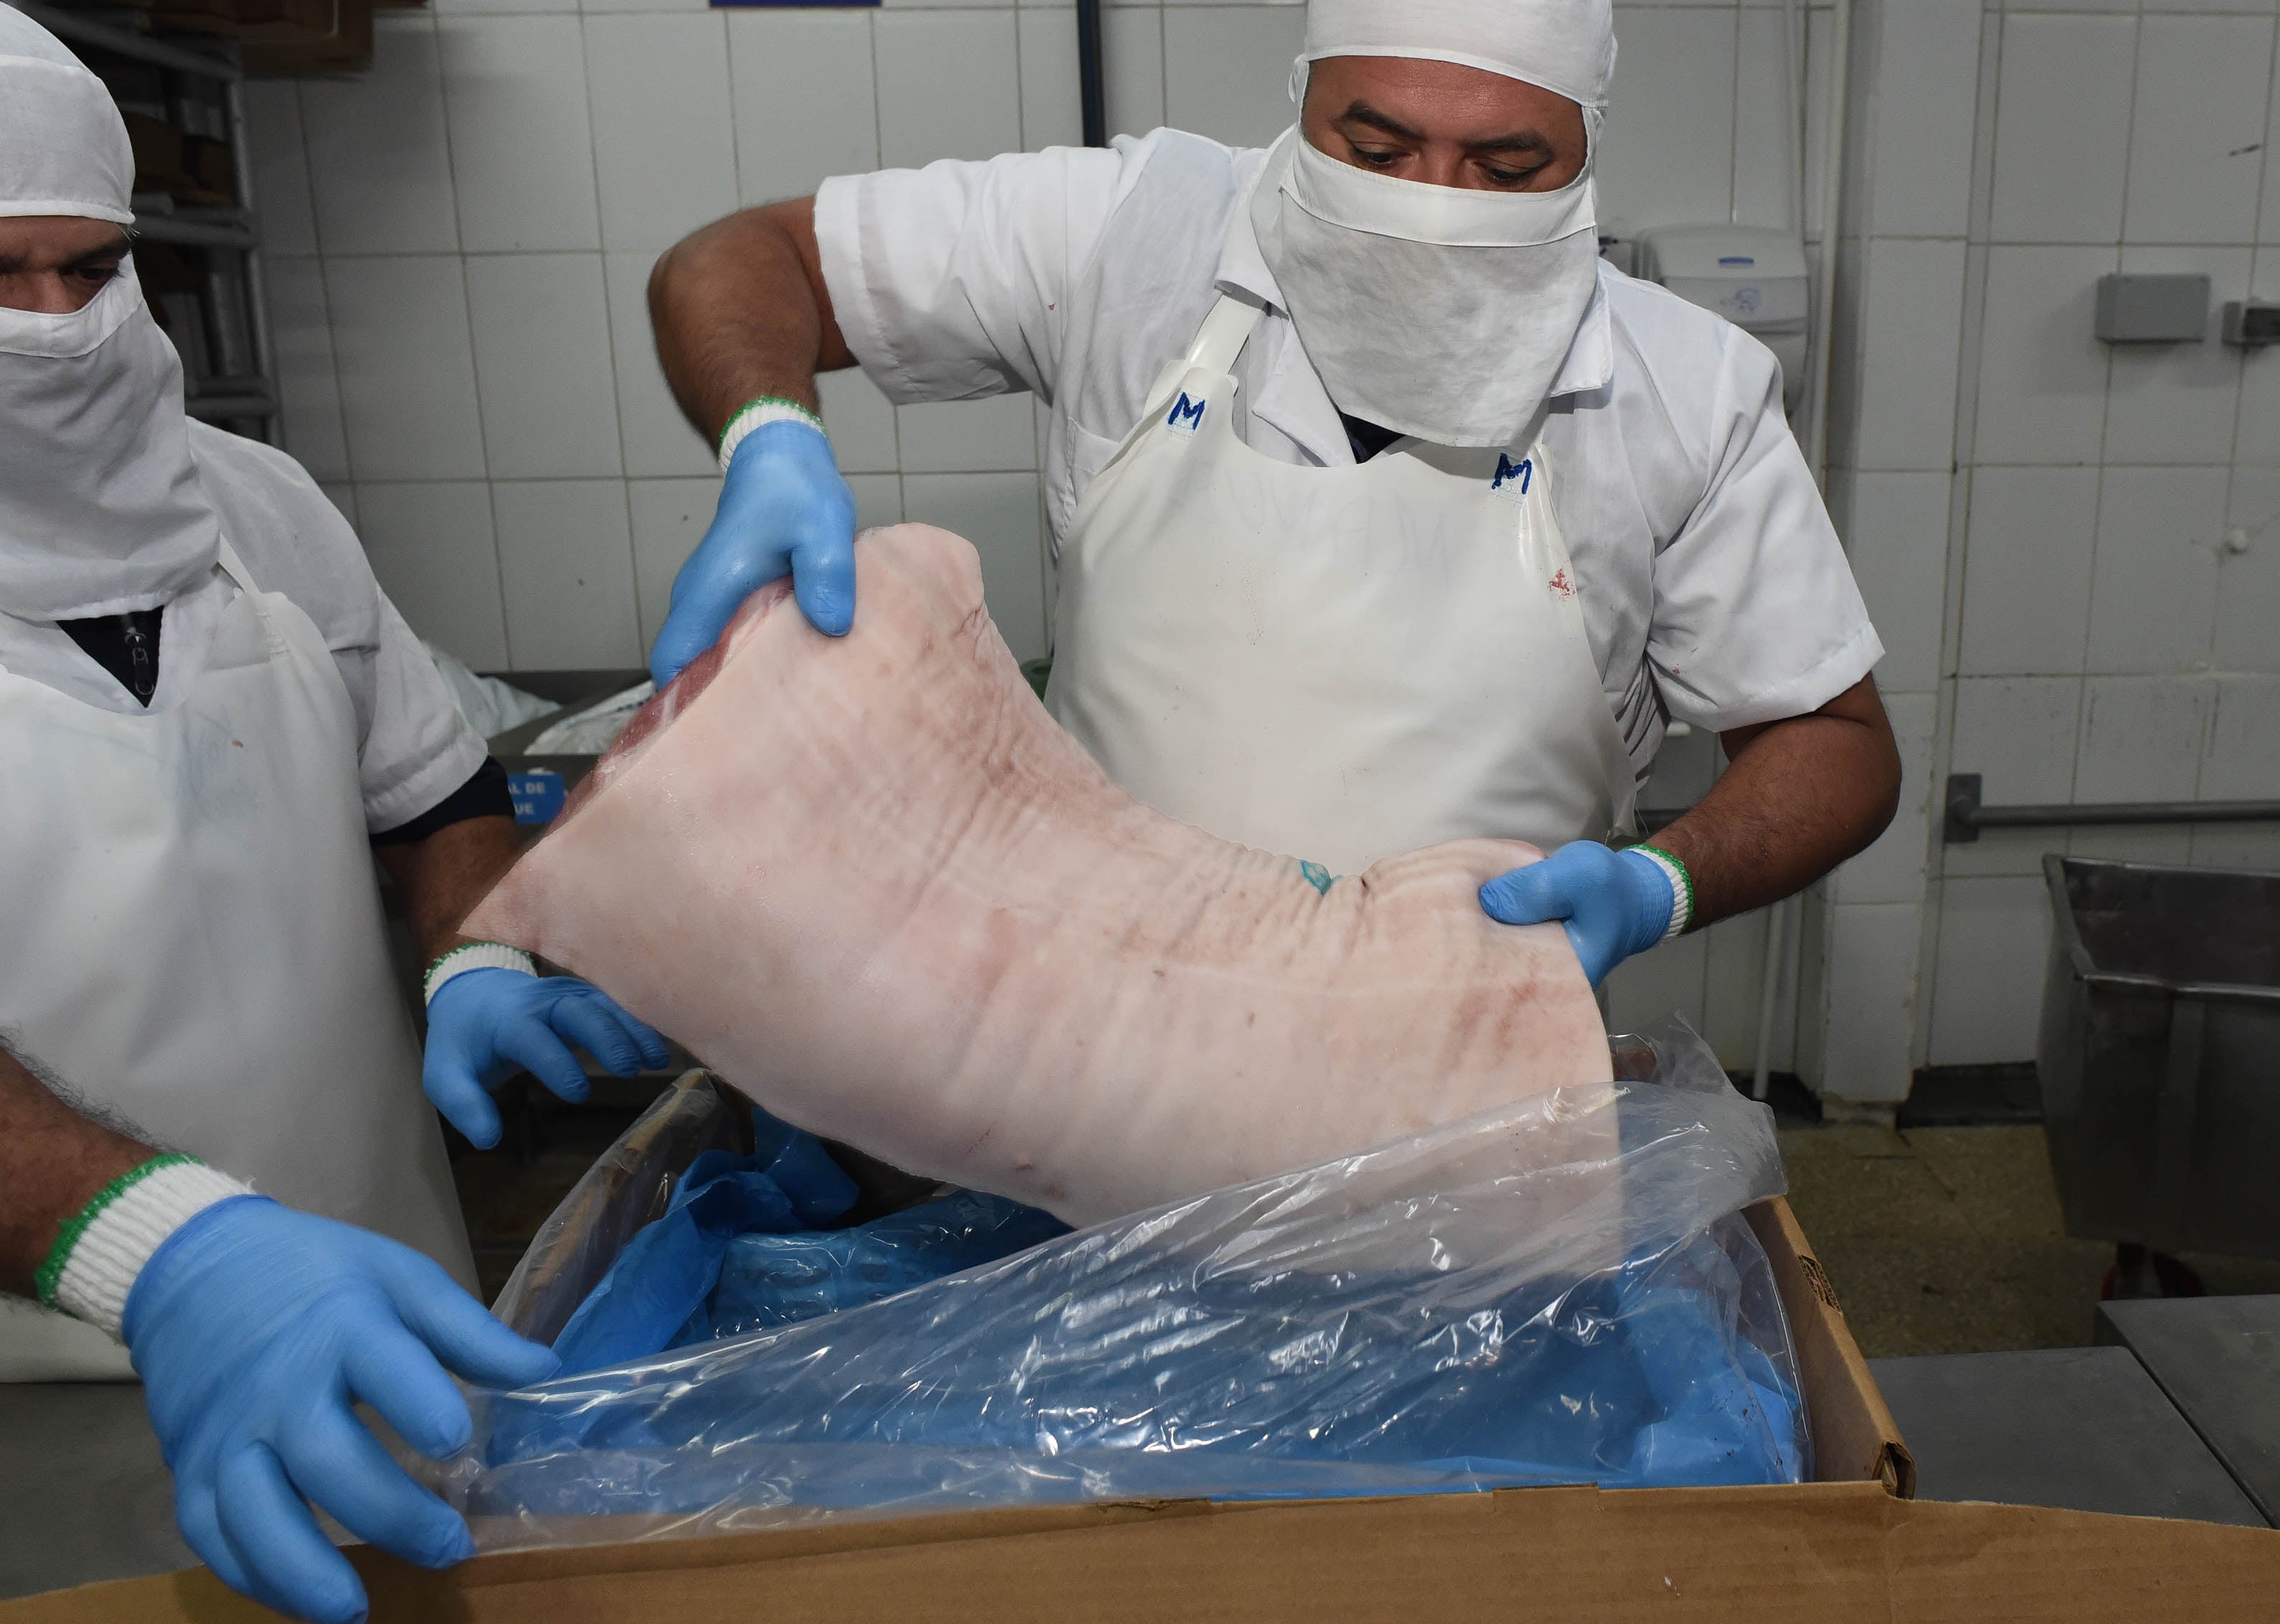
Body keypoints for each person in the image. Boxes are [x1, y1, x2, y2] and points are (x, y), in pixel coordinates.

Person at [644, 0, 1900, 984]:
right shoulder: (1132, 234)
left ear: (1582, 153)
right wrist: (768, 435)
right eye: (1377, 150)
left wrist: (1657, 887)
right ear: (1300, 102)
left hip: (1467, 1090)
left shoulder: (1685, 387)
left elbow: (1834, 746)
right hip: (1088, 1044)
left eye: (1506, 167)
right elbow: (740, 262)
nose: (1432, 206)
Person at [0, 8, 660, 1615]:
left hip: (393, 1315)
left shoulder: (257, 506)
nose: (60, 327)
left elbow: (431, 793)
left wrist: (478, 955)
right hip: (52, 1383)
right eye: (0, 277)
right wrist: (164, 1252)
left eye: (93, 268)